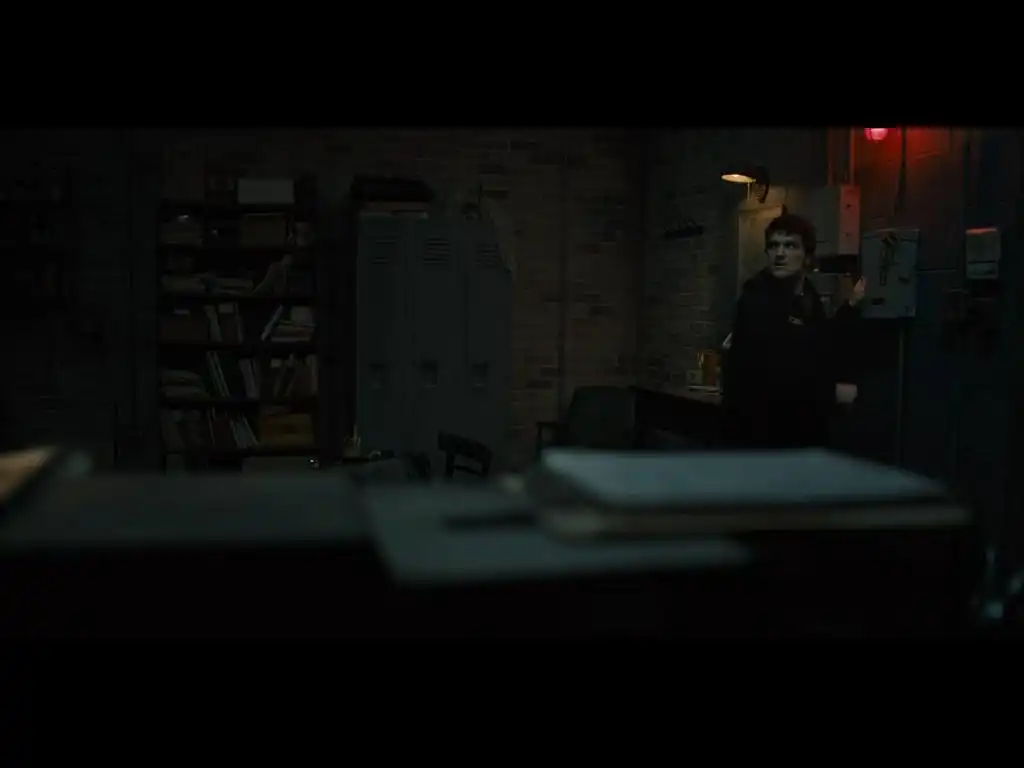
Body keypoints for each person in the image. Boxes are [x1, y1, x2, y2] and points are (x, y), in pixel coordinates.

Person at [720, 212, 866, 449]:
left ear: (807, 257)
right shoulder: (756, 297)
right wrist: (831, 392)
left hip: (802, 435)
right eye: (773, 246)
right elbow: (770, 372)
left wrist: (850, 306)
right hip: (763, 438)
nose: (779, 253)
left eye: (790, 246)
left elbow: (820, 343)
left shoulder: (808, 296)